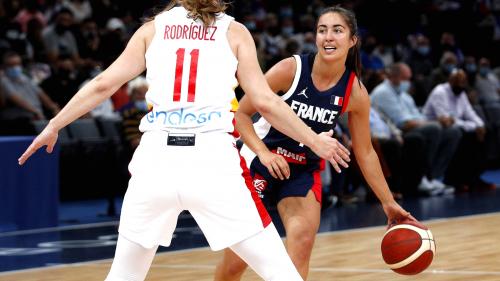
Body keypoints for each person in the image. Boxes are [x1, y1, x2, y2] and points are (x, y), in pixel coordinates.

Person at [17, 1, 356, 280]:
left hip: (155, 162)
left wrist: (54, 124)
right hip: (212, 163)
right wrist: (313, 139)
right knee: (281, 274)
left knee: (124, 275)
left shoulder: (152, 29)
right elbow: (265, 101)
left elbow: (105, 84)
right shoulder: (234, 31)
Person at [214, 6, 414, 280]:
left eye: (337, 30)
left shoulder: (355, 92)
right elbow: (242, 115)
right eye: (322, 30)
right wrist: (263, 153)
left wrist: (388, 202)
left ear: (353, 40)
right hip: (258, 163)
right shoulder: (290, 69)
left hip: (301, 171)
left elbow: (365, 152)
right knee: (238, 260)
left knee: (302, 242)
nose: (328, 37)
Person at [371, 62, 461, 195]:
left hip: (412, 127)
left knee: (453, 132)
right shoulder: (383, 92)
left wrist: (439, 121)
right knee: (434, 129)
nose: (408, 82)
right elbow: (403, 123)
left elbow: (419, 117)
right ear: (394, 77)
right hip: (397, 132)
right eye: (405, 79)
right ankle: (424, 177)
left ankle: (434, 176)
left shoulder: (404, 95)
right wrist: (435, 122)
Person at [423, 69, 495, 191]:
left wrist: (480, 125)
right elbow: (448, 120)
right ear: (450, 81)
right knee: (464, 135)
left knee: (487, 132)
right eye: (458, 82)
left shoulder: (461, 93)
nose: (461, 85)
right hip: (437, 128)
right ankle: (456, 179)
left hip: (456, 127)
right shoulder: (440, 92)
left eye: (463, 82)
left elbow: (469, 113)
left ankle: (474, 177)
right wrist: (473, 127)